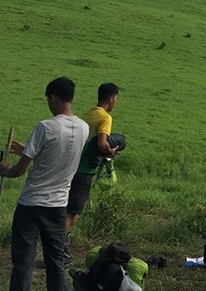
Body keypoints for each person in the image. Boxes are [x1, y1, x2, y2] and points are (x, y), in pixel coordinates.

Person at [0, 77, 89, 291]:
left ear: (53, 98)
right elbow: (55, 156)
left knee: (22, 265)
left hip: (31, 204)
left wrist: (4, 170)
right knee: (55, 263)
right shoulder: (84, 128)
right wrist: (26, 149)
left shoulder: (45, 127)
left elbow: (19, 170)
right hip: (58, 206)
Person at [66, 83, 120, 239]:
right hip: (85, 169)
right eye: (116, 98)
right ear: (111, 98)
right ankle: (59, 247)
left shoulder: (88, 113)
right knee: (74, 212)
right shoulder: (105, 117)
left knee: (67, 208)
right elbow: (102, 143)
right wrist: (111, 151)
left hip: (72, 165)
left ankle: (58, 245)